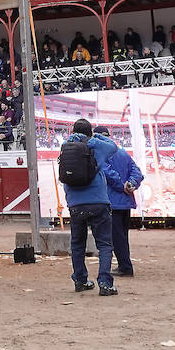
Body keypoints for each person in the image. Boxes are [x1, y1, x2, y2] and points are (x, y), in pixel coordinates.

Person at [60, 119, 125, 296]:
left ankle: (80, 280)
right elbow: (113, 146)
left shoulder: (66, 145)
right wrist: (94, 136)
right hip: (98, 201)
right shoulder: (95, 145)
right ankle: (105, 283)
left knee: (77, 244)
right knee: (104, 244)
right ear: (90, 132)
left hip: (74, 202)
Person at [95, 126, 143, 277]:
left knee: (116, 237)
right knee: (122, 235)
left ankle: (125, 266)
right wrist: (131, 184)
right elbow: (137, 172)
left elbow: (107, 172)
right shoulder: (122, 152)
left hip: (111, 200)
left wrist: (121, 185)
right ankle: (125, 264)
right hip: (125, 201)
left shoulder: (100, 154)